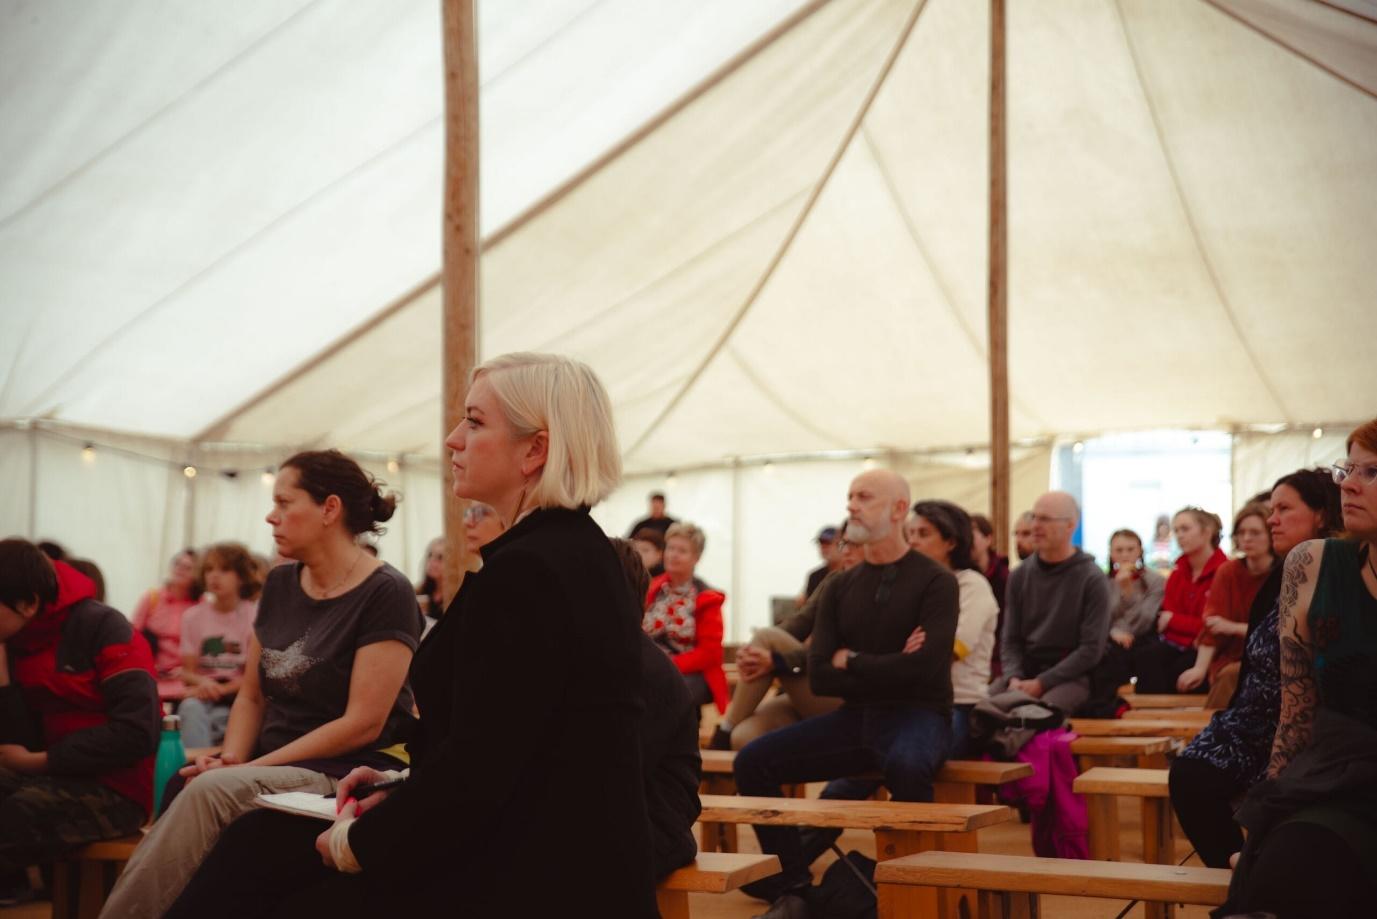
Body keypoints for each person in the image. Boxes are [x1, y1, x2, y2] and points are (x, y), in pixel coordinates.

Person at [167, 352, 659, 918]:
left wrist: (357, 844)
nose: (453, 439)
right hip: (556, 856)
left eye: (475, 422)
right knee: (254, 847)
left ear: (535, 450)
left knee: (256, 869)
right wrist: (400, 782)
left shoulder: (533, 570)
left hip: (532, 875)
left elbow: (488, 769)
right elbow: (525, 742)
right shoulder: (571, 553)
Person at [98, 450, 421, 919]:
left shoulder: (386, 592)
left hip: (341, 770)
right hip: (270, 766)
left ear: (330, 509)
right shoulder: (281, 583)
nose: (272, 516)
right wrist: (231, 757)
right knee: (186, 782)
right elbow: (251, 694)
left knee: (208, 791)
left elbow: (363, 724)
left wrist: (244, 769)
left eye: (285, 503)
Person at [733, 469, 958, 911]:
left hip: (918, 715)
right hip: (856, 718)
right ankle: (793, 885)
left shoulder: (936, 581)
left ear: (897, 510)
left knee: (909, 764)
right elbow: (820, 675)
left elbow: (927, 671)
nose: (852, 504)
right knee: (752, 761)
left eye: (864, 497)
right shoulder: (839, 585)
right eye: (850, 496)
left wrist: (852, 660)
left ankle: (913, 893)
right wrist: (890, 663)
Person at [1222, 420, 1377, 916]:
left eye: (1372, 472)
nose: (1348, 484)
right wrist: (1266, 820)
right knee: (1287, 869)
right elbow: (1296, 714)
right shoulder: (1311, 564)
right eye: (1347, 468)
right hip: (1340, 778)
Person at [1167, 467, 1341, 868]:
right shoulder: (1285, 570)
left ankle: (1255, 878)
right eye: (1270, 509)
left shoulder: (1334, 571)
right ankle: (1240, 872)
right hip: (1252, 721)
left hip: (1297, 730)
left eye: (1283, 509)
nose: (1271, 519)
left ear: (1320, 514)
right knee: (1190, 774)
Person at [0, 541, 159, 880]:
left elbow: (137, 732)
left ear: (28, 604)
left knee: (14, 815)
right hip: (40, 774)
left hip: (117, 789)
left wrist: (41, 761)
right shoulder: (11, 639)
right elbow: (18, 742)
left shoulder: (103, 627)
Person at [706, 522, 861, 751]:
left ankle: (723, 732)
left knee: (767, 638)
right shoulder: (831, 580)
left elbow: (828, 651)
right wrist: (751, 651)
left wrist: (777, 660)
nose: (845, 550)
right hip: (806, 684)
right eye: (843, 543)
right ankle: (730, 735)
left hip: (843, 695)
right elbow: (798, 624)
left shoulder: (875, 590)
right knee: (744, 737)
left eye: (854, 545)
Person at [990, 491, 1112, 715]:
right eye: (1034, 517)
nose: (1036, 525)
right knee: (983, 713)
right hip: (1025, 673)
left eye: (1045, 519)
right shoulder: (1019, 576)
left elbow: (1091, 649)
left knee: (1036, 717)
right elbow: (1010, 639)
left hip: (1072, 678)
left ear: (1070, 526)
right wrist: (1013, 676)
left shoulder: (1092, 578)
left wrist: (1042, 683)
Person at [904, 501, 998, 756]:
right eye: (910, 533)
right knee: (849, 772)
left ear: (951, 543)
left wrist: (905, 654)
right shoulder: (910, 585)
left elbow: (952, 650)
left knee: (908, 758)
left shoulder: (972, 585)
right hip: (909, 702)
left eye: (923, 534)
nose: (912, 542)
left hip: (960, 706)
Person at [1176, 503, 1273, 700]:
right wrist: (1200, 669)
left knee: (1233, 676)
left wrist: (1233, 628)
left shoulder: (1284, 571)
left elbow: (1279, 632)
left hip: (1272, 658)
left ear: (1271, 535)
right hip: (1231, 657)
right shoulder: (1229, 571)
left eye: (1255, 532)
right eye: (1241, 532)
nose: (1246, 538)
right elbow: (1212, 624)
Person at [1130, 507, 1227, 694]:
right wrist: (1177, 622)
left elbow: (1212, 625)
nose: (1179, 535)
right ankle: (1150, 719)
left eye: (1185, 529)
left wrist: (1175, 620)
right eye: (1177, 530)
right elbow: (1165, 619)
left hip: (1210, 648)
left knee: (1178, 668)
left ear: (1207, 531)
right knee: (1145, 657)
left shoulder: (1224, 571)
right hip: (1176, 644)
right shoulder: (1177, 572)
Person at [177, 542, 261, 749]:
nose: (214, 576)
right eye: (209, 569)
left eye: (224, 570)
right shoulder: (192, 617)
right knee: (190, 709)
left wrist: (221, 689)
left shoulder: (256, 616)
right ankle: (199, 774)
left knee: (219, 718)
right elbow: (187, 672)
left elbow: (254, 677)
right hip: (202, 696)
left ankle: (198, 774)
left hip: (240, 698)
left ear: (241, 576)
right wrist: (204, 683)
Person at [643, 522, 728, 716]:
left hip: (692, 673)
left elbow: (710, 653)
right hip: (650, 669)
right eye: (670, 548)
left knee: (662, 692)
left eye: (682, 550)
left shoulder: (706, 597)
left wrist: (667, 666)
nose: (673, 554)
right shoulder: (650, 589)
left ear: (696, 558)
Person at [1084, 529, 1165, 713]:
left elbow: (1144, 619)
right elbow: (1098, 617)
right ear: (1111, 554)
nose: (1125, 555)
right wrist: (1113, 631)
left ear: (1140, 552)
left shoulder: (1155, 581)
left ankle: (1151, 713)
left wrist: (1128, 592)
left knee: (1151, 657)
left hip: (1144, 638)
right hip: (1111, 639)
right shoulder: (1100, 582)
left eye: (1130, 549)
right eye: (1119, 550)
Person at [130, 548, 201, 700]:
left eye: (188, 567)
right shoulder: (152, 598)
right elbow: (133, 636)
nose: (180, 569)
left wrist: (188, 672)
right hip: (151, 675)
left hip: (186, 679)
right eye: (177, 564)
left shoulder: (202, 604)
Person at [970, 513, 1009, 676]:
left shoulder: (1005, 578)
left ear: (988, 539)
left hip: (998, 659)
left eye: (972, 534)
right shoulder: (960, 578)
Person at [802, 525, 841, 599]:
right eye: (821, 542)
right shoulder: (814, 577)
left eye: (828, 542)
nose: (823, 547)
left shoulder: (854, 575)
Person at [415, 537, 445, 619]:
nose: (432, 561)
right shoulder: (418, 592)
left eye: (440, 558)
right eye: (430, 555)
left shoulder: (455, 595)